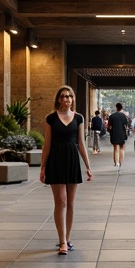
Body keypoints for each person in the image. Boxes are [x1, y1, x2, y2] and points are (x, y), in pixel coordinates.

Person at [40, 85, 93, 255]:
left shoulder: (78, 118)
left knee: (70, 203)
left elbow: (81, 143)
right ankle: (62, 241)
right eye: (63, 96)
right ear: (58, 99)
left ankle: (68, 239)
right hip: (56, 160)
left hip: (72, 160)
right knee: (61, 202)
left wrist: (88, 166)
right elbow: (46, 144)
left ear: (73, 99)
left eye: (69, 96)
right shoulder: (50, 118)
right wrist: (42, 167)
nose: (67, 99)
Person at [108, 103, 130, 167]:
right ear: (122, 108)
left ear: (116, 107)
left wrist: (110, 132)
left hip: (114, 133)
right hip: (122, 133)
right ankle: (120, 161)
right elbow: (126, 126)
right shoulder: (124, 116)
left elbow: (109, 127)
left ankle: (116, 162)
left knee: (115, 148)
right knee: (122, 148)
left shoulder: (112, 116)